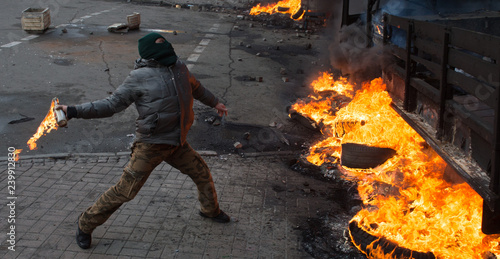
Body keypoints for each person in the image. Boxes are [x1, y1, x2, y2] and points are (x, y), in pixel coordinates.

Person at [56, 32, 230, 250]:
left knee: (202, 173)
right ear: (151, 53)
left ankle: (210, 211)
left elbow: (196, 88)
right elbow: (110, 105)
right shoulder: (138, 78)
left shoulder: (179, 67)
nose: (168, 50)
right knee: (125, 190)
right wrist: (72, 110)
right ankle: (85, 224)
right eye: (161, 46)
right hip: (151, 145)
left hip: (178, 142)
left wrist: (216, 103)